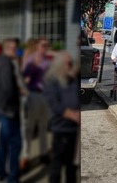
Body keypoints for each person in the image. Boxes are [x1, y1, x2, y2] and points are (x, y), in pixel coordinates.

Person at [0, 38, 26, 183]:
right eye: (14, 48)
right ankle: (13, 178)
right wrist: (17, 95)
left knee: (3, 143)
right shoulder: (6, 64)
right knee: (15, 145)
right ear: (7, 48)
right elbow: (7, 89)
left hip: (1, 109)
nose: (16, 51)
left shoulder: (0, 61)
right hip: (8, 111)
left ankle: (0, 173)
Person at [43, 51, 80, 183]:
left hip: (74, 131)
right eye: (68, 64)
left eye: (71, 63)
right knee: (57, 165)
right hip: (61, 129)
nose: (70, 66)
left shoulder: (73, 80)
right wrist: (72, 115)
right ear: (59, 65)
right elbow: (54, 104)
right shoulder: (52, 82)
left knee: (71, 167)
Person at [20, 37, 52, 171]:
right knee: (29, 127)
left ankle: (44, 153)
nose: (45, 48)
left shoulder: (48, 61)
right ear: (38, 47)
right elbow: (24, 75)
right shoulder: (32, 59)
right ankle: (25, 156)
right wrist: (33, 66)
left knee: (43, 126)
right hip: (33, 95)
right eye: (43, 45)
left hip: (45, 96)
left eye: (46, 46)